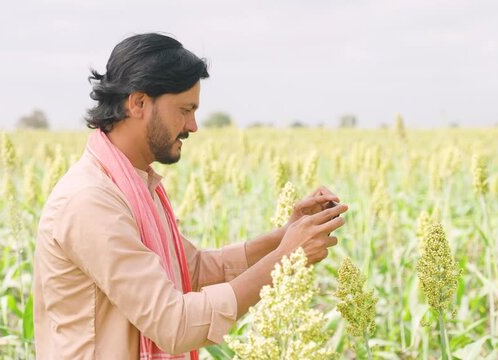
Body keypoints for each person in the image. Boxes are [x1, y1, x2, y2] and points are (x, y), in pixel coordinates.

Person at [32, 32, 348, 359]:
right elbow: (174, 325)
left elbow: (191, 271)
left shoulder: (132, 185)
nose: (193, 125)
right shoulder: (91, 201)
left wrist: (285, 237)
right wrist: (287, 258)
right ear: (138, 103)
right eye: (185, 109)